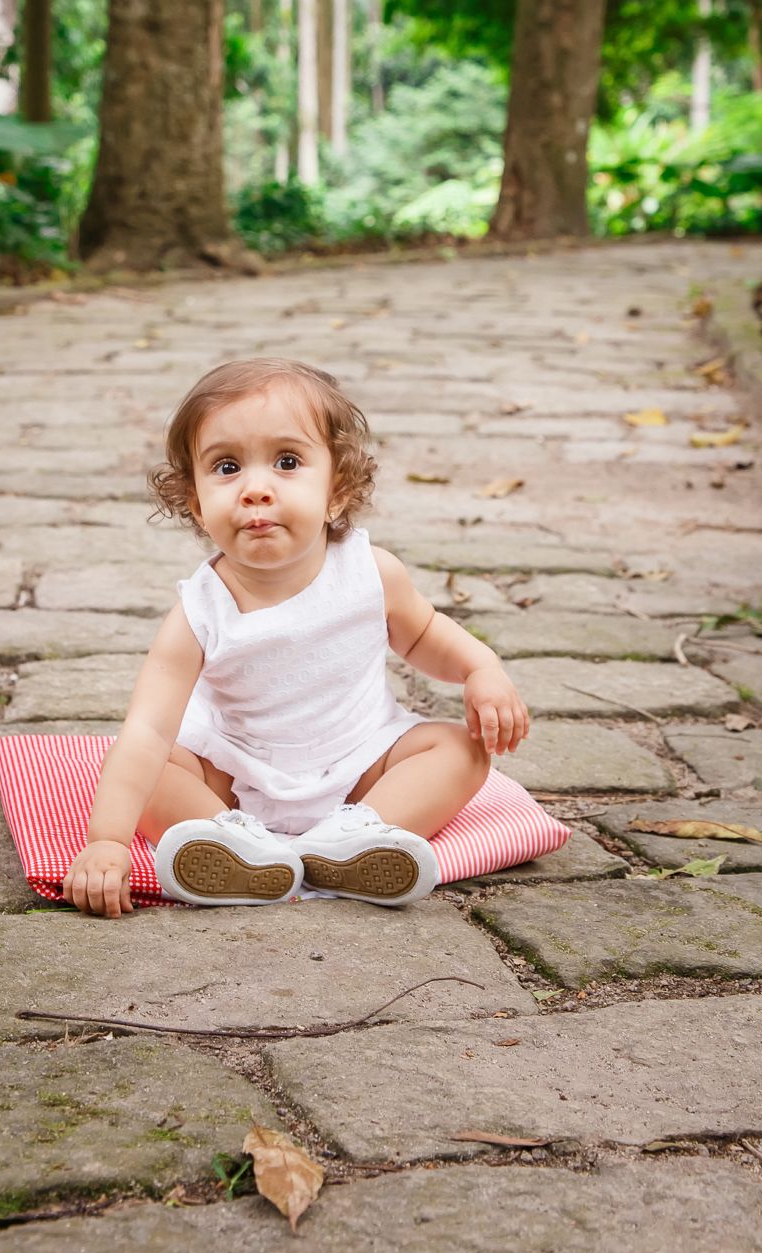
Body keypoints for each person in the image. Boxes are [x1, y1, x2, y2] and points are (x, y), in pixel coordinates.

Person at [62, 356, 530, 915]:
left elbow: (426, 633)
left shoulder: (370, 572)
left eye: (287, 462)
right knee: (154, 772)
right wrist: (106, 841)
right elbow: (145, 731)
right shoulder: (198, 613)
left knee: (461, 750)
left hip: (360, 764)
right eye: (227, 468)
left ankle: (359, 837)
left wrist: (481, 669)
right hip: (234, 777)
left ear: (336, 490)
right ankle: (236, 848)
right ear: (197, 504)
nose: (256, 488)